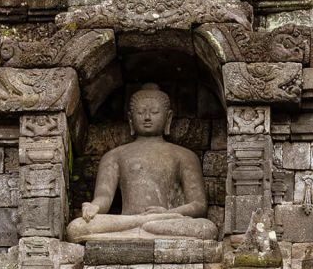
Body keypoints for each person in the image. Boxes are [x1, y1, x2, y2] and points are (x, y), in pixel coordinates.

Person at [66, 85, 218, 242]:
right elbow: (104, 197)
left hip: (167, 219)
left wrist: (166, 214)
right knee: (76, 228)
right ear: (131, 118)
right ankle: (142, 226)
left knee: (206, 228)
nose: (147, 117)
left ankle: (141, 229)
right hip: (127, 221)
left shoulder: (184, 155)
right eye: (140, 112)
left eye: (154, 112)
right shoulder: (114, 155)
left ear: (168, 117)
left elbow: (199, 205)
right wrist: (94, 207)